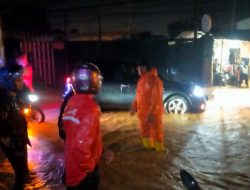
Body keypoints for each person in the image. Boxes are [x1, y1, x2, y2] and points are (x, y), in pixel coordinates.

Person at [59, 62, 113, 190]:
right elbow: (80, 145)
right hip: (82, 175)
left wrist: (102, 151)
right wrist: (91, 167)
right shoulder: (90, 108)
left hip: (71, 167)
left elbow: (70, 134)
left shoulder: (72, 101)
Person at [0, 64, 31, 190]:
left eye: (21, 79)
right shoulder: (4, 100)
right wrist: (3, 137)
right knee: (21, 173)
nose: (21, 83)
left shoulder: (15, 96)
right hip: (13, 142)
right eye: (18, 80)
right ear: (8, 82)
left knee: (23, 172)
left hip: (20, 139)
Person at [130, 64, 165, 151]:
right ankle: (148, 150)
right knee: (145, 131)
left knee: (157, 131)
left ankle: (159, 151)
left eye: (139, 67)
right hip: (143, 113)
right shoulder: (141, 80)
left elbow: (157, 98)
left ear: (145, 67)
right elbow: (138, 96)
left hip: (153, 113)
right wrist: (133, 107)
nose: (138, 69)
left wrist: (152, 113)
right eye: (137, 68)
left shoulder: (155, 80)